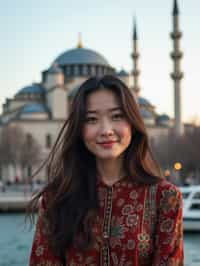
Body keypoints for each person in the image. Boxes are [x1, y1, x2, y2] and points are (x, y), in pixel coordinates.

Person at [28, 75, 184, 265]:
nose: (106, 130)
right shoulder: (57, 198)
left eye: (117, 116)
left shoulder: (164, 197)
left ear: (132, 124)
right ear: (79, 129)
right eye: (92, 119)